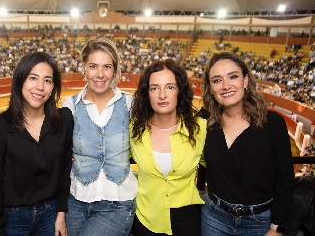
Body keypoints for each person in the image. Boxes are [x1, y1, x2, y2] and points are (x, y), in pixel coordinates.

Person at [200, 52, 294, 235]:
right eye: (217, 80)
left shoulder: (273, 123)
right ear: (210, 88)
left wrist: (277, 228)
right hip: (214, 217)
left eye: (233, 77)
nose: (226, 86)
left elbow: (285, 179)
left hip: (258, 222)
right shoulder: (205, 119)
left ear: (245, 80)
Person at [0, 52, 74, 236]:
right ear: (20, 81)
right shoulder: (2, 124)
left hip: (51, 214)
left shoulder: (64, 119)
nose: (40, 87)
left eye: (47, 80)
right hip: (12, 218)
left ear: (53, 86)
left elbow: (65, 169)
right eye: (33, 78)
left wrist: (61, 214)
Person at [62, 37, 137, 236]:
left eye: (107, 67)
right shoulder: (69, 105)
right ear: (84, 68)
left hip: (118, 202)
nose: (100, 74)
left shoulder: (131, 103)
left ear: (115, 70)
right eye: (93, 66)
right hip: (76, 201)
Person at [129, 60, 207, 235]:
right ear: (147, 94)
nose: (162, 95)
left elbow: (220, 166)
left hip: (187, 220)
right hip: (145, 219)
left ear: (180, 91)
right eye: (154, 88)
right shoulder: (133, 129)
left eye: (170, 87)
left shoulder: (200, 128)